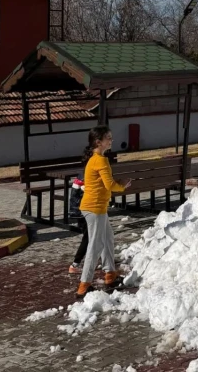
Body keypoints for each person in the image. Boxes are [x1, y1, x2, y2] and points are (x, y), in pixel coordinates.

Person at [76, 126, 131, 298]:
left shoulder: (96, 159)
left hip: (97, 207)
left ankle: (110, 275)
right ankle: (83, 286)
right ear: (98, 142)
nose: (111, 140)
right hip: (94, 208)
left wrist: (118, 183)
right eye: (108, 138)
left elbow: (104, 183)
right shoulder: (100, 160)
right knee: (95, 245)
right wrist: (123, 185)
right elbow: (110, 185)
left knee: (107, 238)